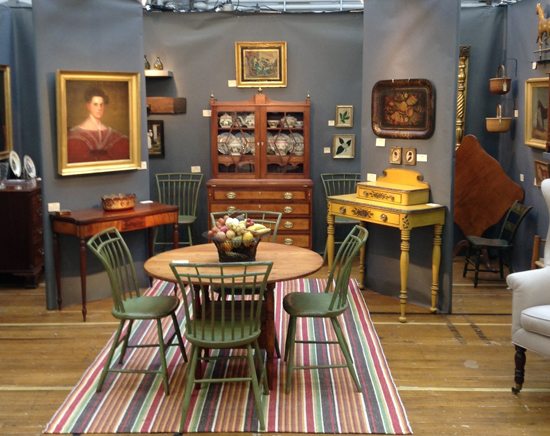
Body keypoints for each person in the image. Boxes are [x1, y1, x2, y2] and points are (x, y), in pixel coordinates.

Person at [67, 87, 129, 163]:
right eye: (95, 104)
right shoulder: (75, 133)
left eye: (101, 105)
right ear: (88, 106)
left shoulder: (112, 133)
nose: (99, 108)